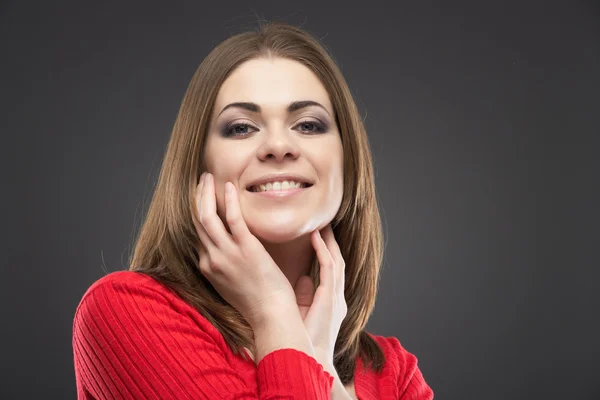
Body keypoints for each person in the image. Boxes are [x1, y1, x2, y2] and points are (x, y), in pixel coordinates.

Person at [72, 20, 434, 399]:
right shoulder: (124, 314)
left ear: (348, 162)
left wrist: (321, 365)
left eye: (308, 125)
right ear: (198, 167)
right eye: (242, 128)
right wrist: (272, 308)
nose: (278, 145)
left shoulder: (395, 374)